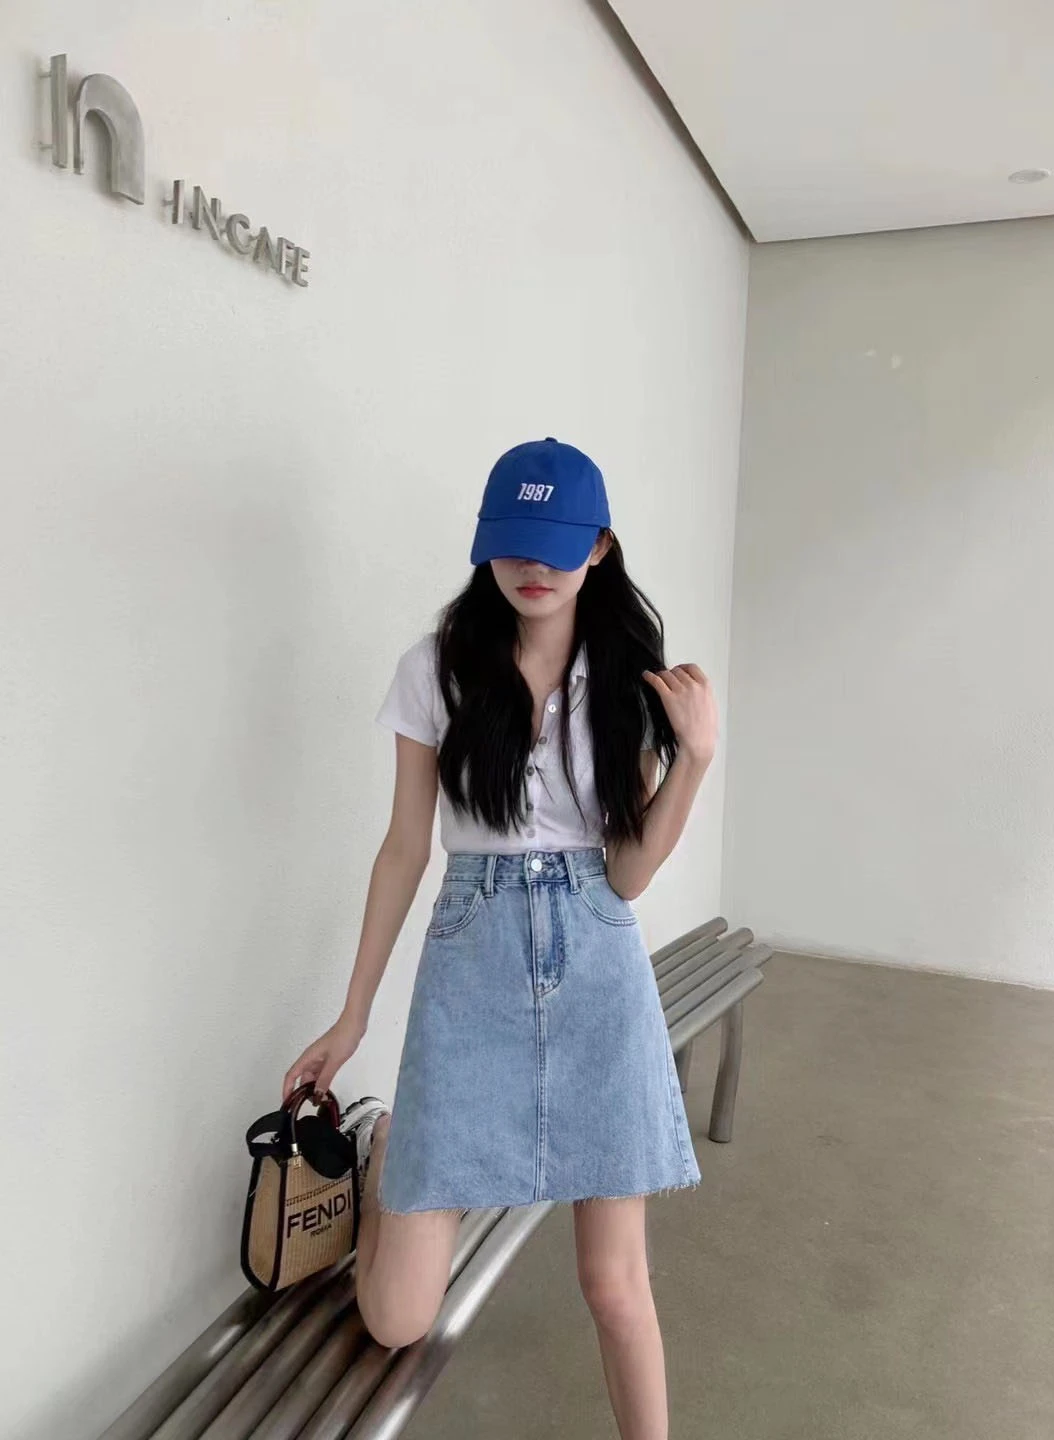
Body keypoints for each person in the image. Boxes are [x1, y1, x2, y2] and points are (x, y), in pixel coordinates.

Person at [283, 436, 718, 1438]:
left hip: (597, 960)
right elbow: (405, 849)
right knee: (397, 1320)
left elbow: (627, 875)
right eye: (513, 542)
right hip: (470, 959)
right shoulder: (436, 669)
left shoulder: (630, 680)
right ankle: (392, 1145)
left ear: (599, 548)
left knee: (615, 1287)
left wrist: (693, 760)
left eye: (556, 546)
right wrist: (352, 1020)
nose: (532, 566)